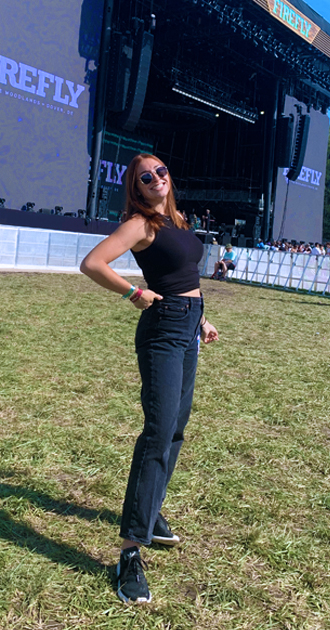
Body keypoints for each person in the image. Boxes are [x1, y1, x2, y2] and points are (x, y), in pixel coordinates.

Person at [79, 154, 219, 605]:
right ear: (136, 189)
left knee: (175, 427)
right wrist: (134, 292)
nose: (157, 178)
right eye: (146, 177)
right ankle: (130, 551)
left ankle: (151, 511)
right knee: (157, 433)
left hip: (188, 324)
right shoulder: (141, 225)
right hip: (161, 328)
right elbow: (94, 263)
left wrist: (202, 320)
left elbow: (187, 276)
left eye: (161, 171)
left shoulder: (176, 220)